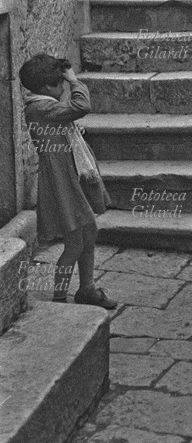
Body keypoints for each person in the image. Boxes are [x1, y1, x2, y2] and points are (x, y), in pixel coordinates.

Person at [19, 53, 116, 308]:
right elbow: (81, 106)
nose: (64, 87)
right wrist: (74, 80)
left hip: (70, 175)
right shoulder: (40, 108)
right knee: (74, 244)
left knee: (89, 232)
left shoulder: (44, 105)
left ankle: (87, 289)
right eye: (60, 83)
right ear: (47, 87)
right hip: (62, 183)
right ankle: (60, 299)